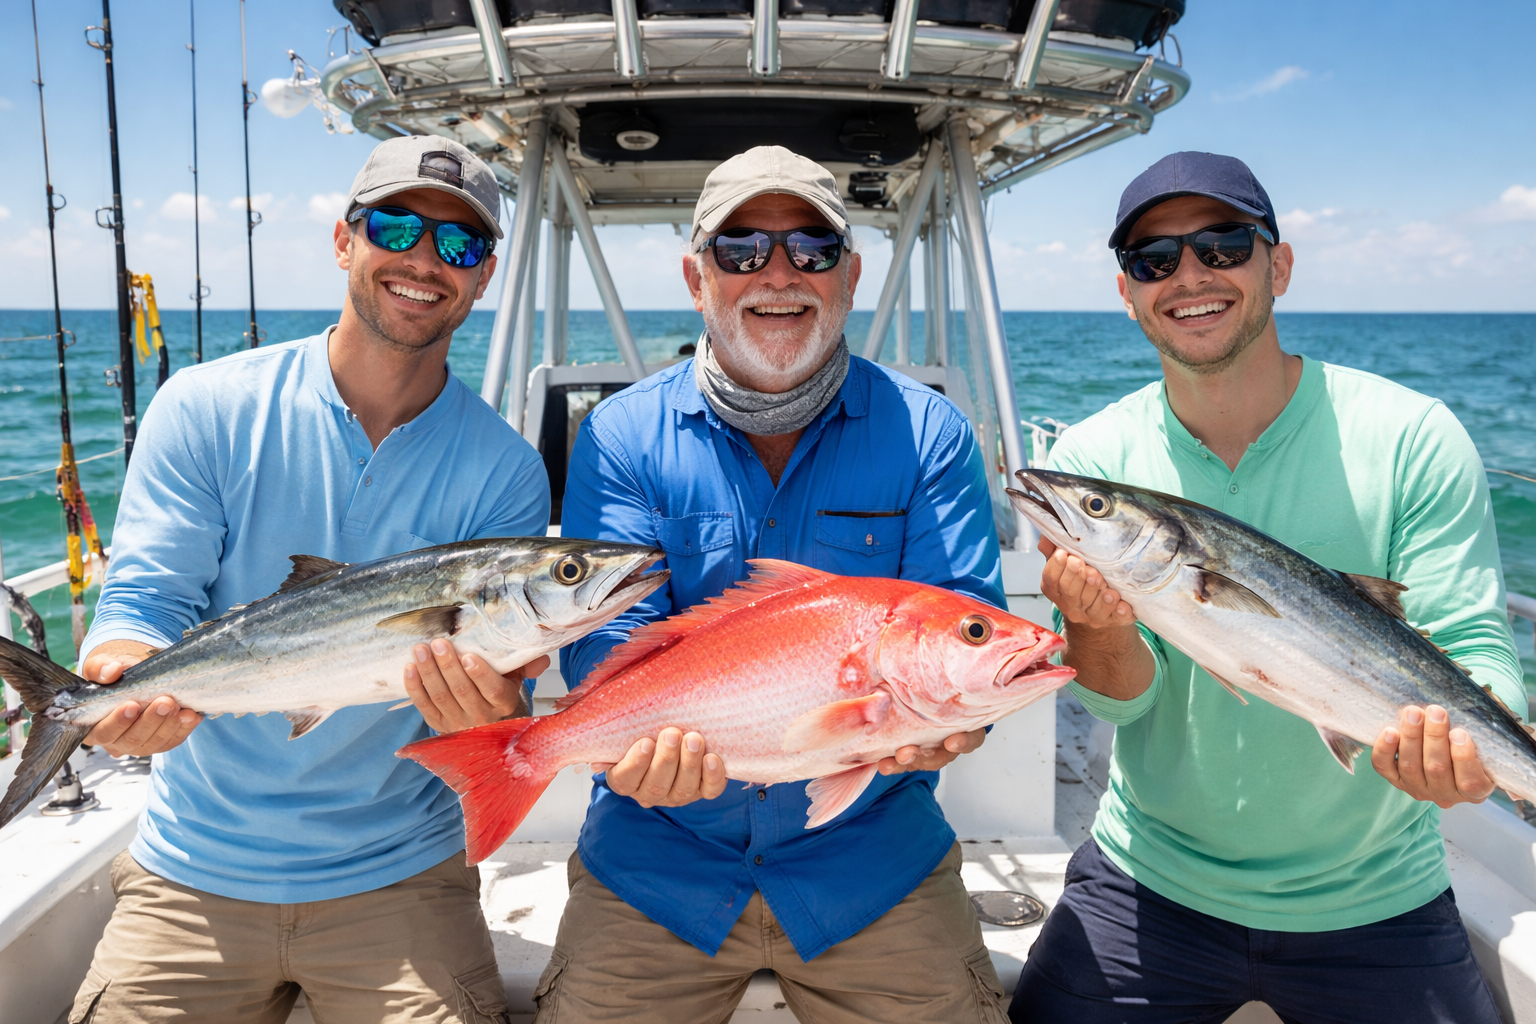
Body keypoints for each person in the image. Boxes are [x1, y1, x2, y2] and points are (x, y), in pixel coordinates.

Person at [1008, 151, 1523, 1023]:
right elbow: (1128, 706)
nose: (1190, 276)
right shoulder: (1094, 454)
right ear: (1128, 293)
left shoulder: (1411, 436)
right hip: (1151, 881)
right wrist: (1097, 629)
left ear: (1277, 265)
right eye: (1154, 260)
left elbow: (1474, 644)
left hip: (1379, 896)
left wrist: (1473, 754)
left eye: (1223, 245)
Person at [69, 136, 550, 1024]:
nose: (422, 260)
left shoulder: (506, 470)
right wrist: (121, 671)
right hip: (191, 869)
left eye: (458, 245)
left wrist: (492, 725)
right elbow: (146, 596)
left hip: (401, 877)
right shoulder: (205, 405)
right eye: (397, 226)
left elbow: (505, 703)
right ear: (344, 241)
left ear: (483, 278)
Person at [537, 145, 1011, 1024]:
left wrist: (959, 722)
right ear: (696, 276)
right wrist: (616, 748)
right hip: (656, 864)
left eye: (813, 249)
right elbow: (606, 646)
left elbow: (967, 624)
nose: (779, 273)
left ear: (850, 275)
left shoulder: (931, 433)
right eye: (742, 249)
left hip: (875, 869)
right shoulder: (622, 438)